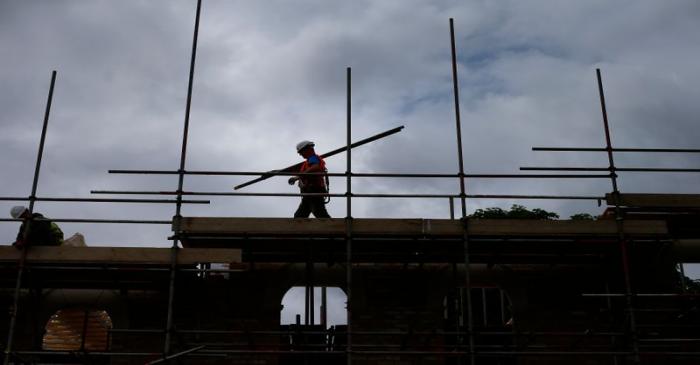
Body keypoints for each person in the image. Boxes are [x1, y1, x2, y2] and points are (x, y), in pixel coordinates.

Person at [288, 140, 331, 218]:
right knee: (299, 216)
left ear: (308, 149)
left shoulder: (313, 158)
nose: (300, 154)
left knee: (320, 214)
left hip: (314, 192)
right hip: (309, 193)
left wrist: (297, 177)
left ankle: (333, 229)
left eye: (301, 152)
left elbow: (316, 167)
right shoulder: (309, 161)